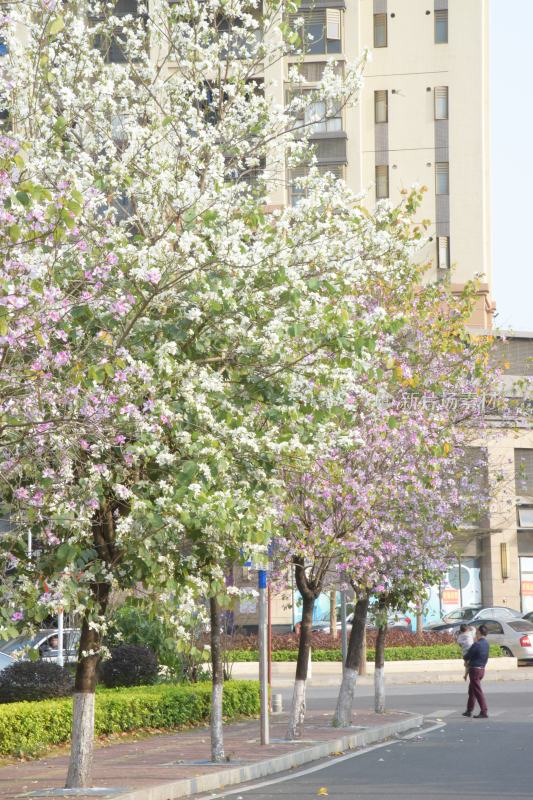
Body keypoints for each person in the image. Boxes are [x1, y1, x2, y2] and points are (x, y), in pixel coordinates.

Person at [462, 624, 489, 718]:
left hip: (475, 670)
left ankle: (484, 711)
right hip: (482, 669)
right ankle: (469, 710)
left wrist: (466, 660)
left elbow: (467, 656)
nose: (476, 633)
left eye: (477, 632)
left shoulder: (477, 644)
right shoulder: (486, 644)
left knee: (477, 691)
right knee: (472, 690)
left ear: (479, 632)